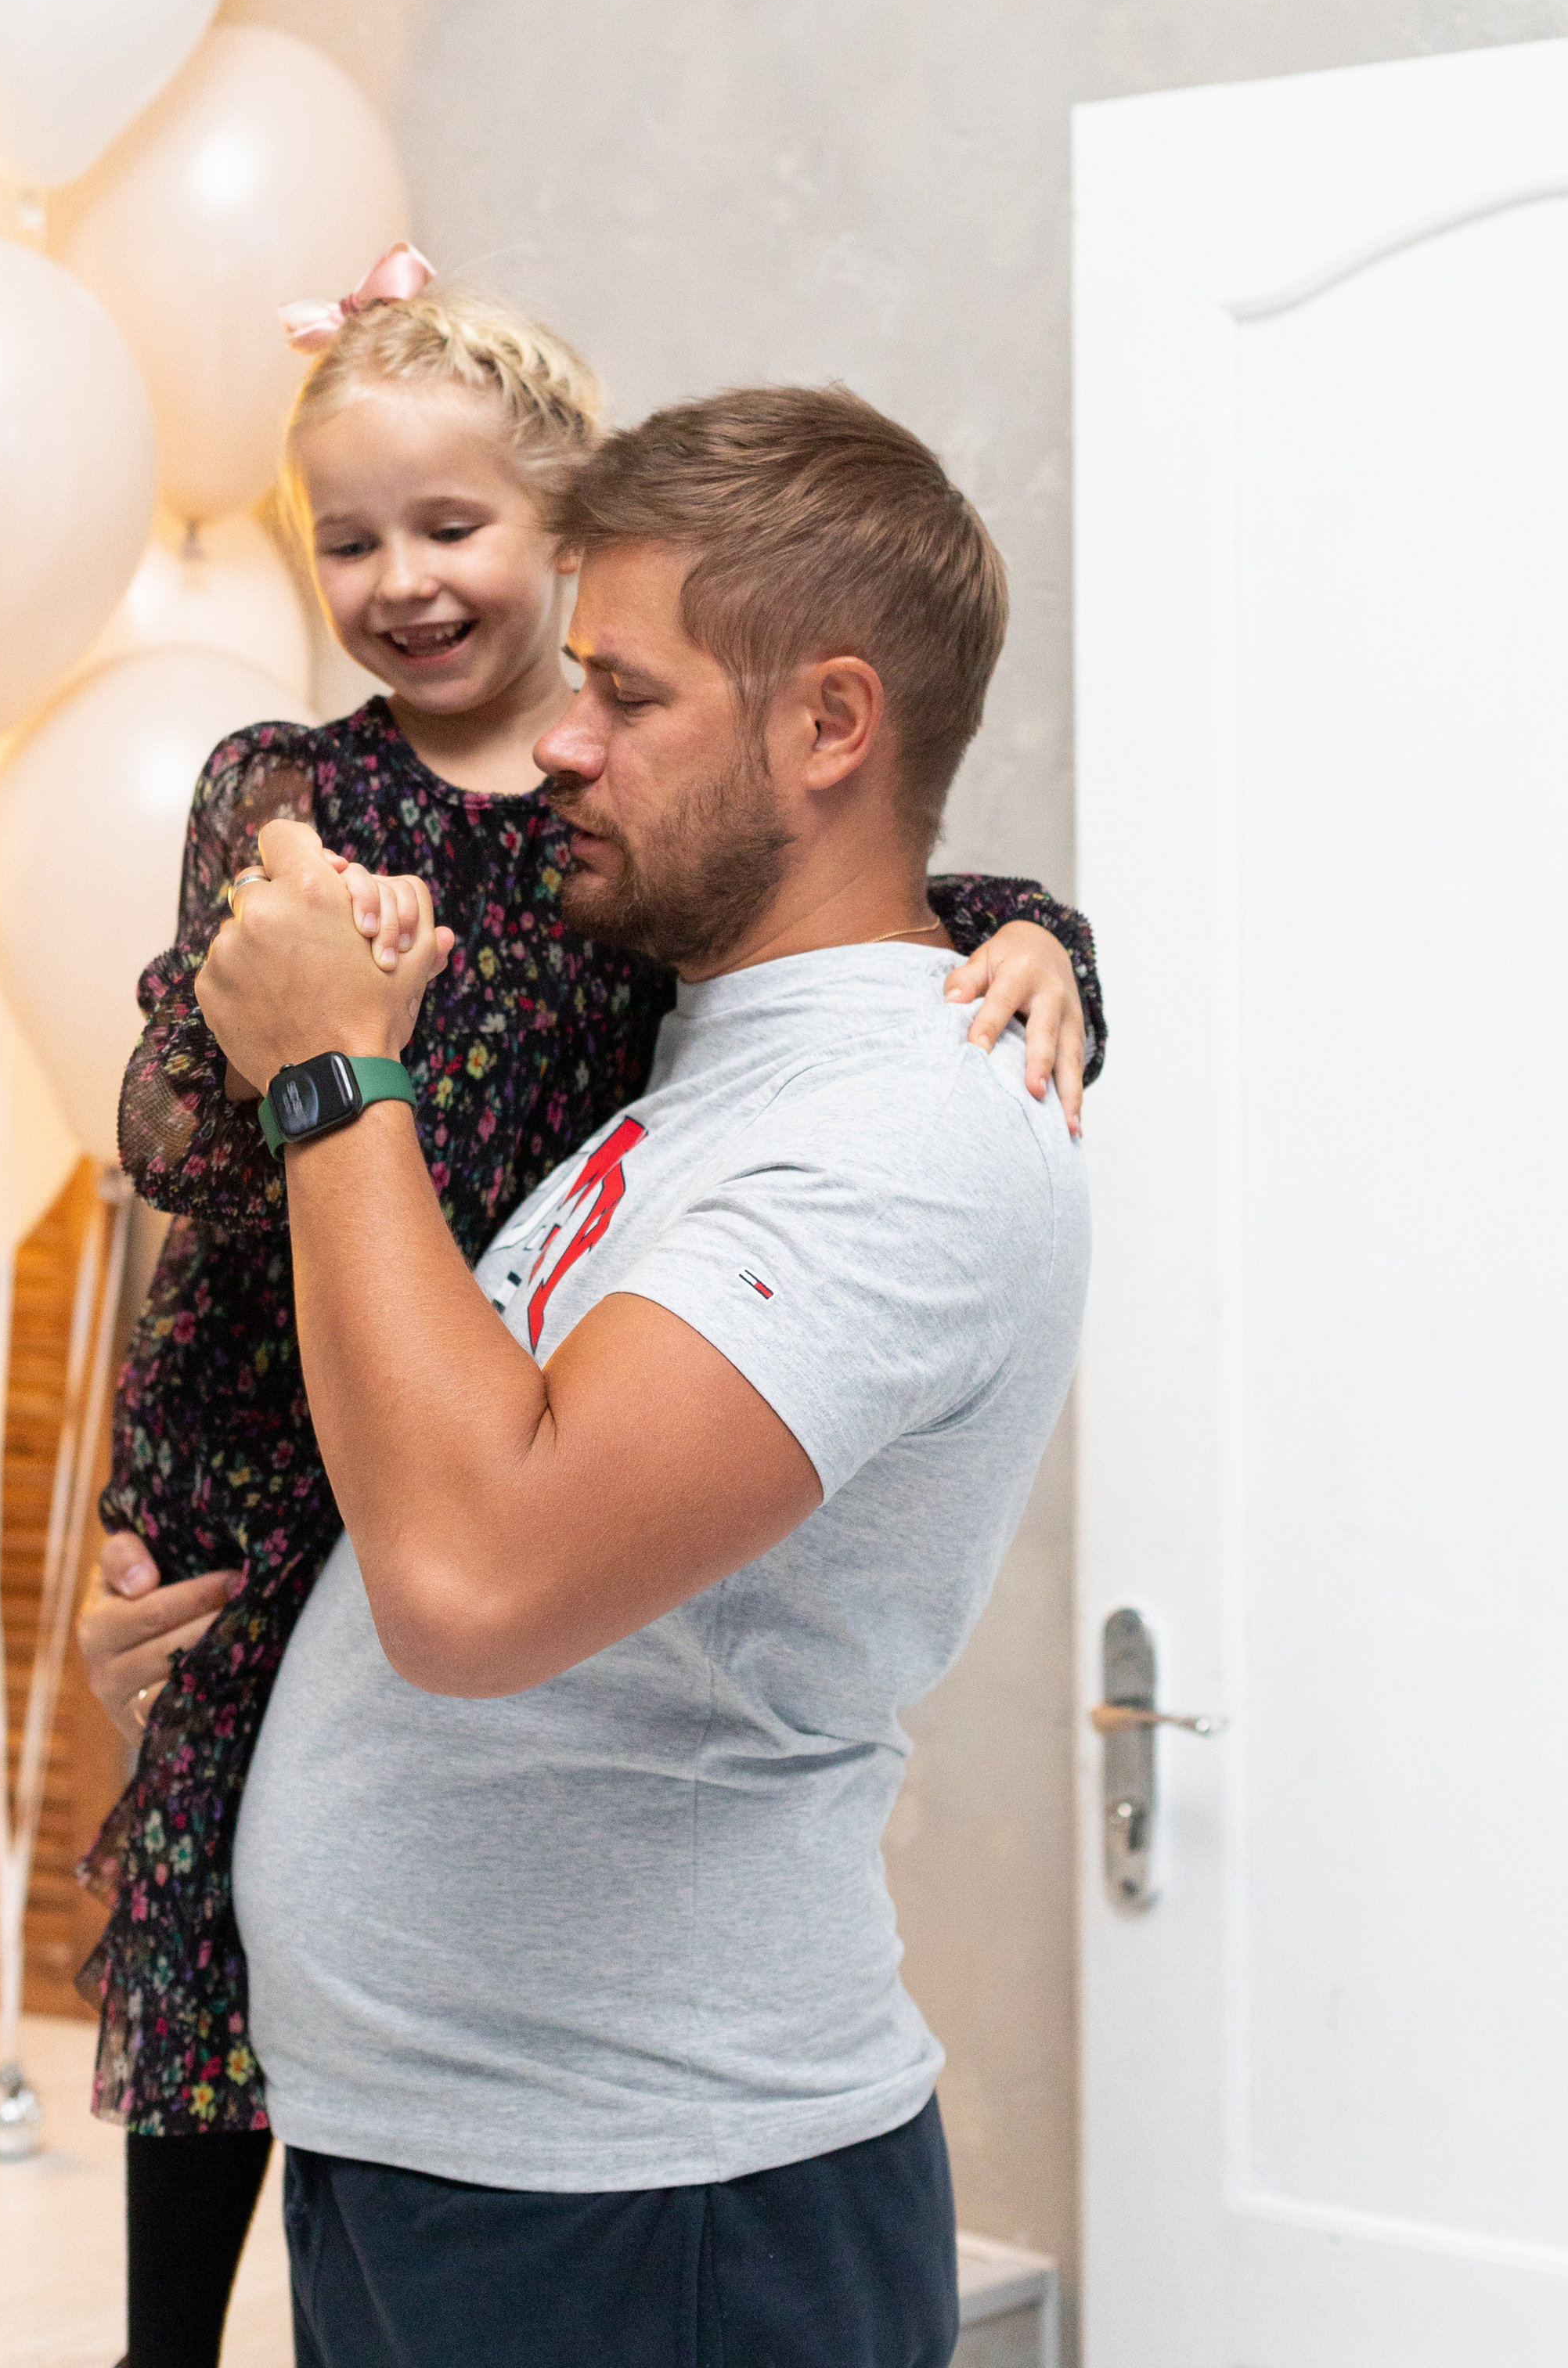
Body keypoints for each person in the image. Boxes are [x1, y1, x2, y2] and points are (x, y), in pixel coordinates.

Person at [76, 277, 1103, 2368]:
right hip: (466, 2160)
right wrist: (225, 1632)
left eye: (622, 695)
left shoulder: (903, 1129)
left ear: (829, 728)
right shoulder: (695, 1067)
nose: (556, 737)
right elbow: (419, 1449)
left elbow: (471, 1576)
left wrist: (332, 1075)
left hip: (652, 2206)